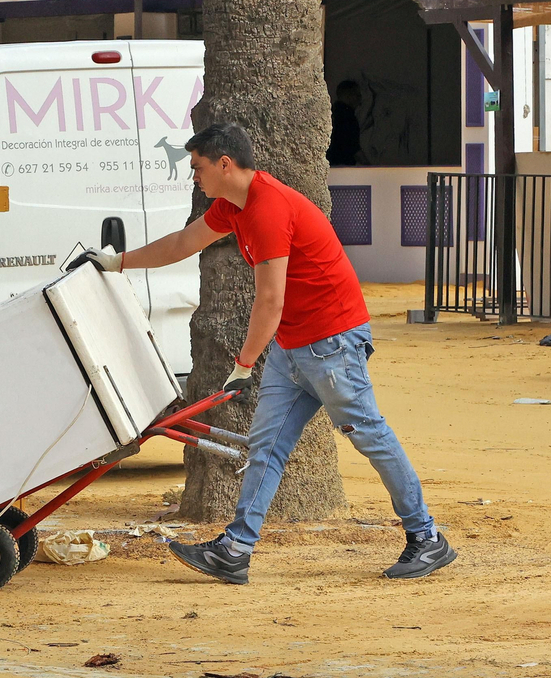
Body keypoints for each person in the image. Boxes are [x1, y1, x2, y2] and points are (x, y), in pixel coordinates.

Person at [69, 122, 455, 584]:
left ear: (224, 165)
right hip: (296, 347)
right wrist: (117, 262)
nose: (193, 176)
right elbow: (181, 244)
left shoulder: (267, 209)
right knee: (266, 448)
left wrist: (245, 363)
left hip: (332, 343)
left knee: (368, 435)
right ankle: (234, 550)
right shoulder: (234, 207)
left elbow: (269, 299)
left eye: (198, 167)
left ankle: (426, 537)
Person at [327, 80, 364, 166]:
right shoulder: (348, 118)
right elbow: (353, 147)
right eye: (357, 95)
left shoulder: (330, 114)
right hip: (344, 167)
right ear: (348, 96)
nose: (360, 100)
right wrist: (370, 167)